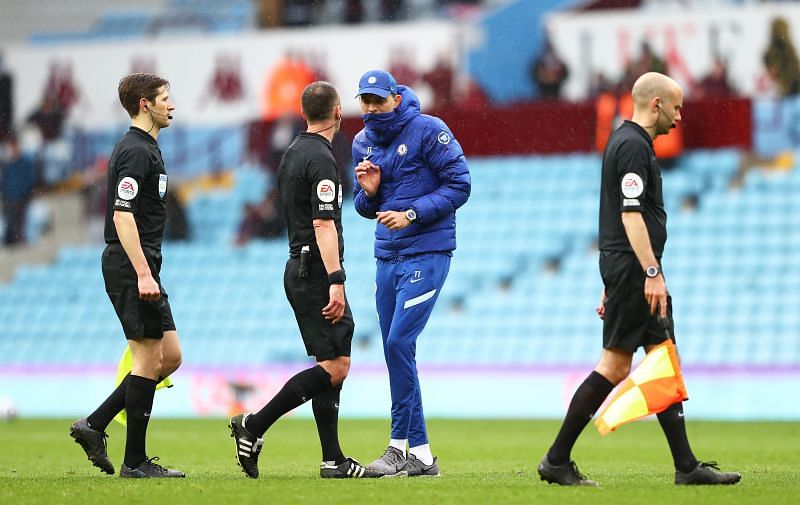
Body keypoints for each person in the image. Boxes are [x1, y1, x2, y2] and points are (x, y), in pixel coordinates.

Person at [537, 72, 741, 487]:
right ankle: (556, 460)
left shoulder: (629, 141)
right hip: (635, 268)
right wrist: (648, 272)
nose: (680, 117)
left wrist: (621, 277)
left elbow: (619, 216)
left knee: (664, 358)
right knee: (614, 365)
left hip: (629, 267)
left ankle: (686, 467)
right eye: (677, 107)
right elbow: (630, 214)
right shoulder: (632, 146)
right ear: (656, 104)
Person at [229, 81, 380, 480]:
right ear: (336, 113)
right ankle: (254, 424)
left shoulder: (293, 152)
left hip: (297, 263)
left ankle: (333, 460)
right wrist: (336, 278)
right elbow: (322, 222)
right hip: (315, 270)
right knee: (336, 366)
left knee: (331, 362)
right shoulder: (323, 159)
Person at [353, 70, 471, 477]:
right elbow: (363, 206)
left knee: (399, 343)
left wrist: (412, 213)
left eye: (376, 100)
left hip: (427, 252)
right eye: (364, 101)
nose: (369, 109)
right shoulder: (361, 143)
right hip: (386, 256)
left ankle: (396, 447)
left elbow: (460, 185)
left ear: (395, 99)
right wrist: (368, 193)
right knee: (396, 349)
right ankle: (421, 456)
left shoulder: (429, 130)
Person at [69, 73, 184, 478]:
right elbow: (123, 215)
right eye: (165, 99)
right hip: (131, 263)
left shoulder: (147, 149)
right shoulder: (136, 151)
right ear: (144, 104)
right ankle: (135, 461)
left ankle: (94, 424)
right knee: (148, 358)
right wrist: (142, 273)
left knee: (169, 357)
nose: (171, 105)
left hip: (142, 263)